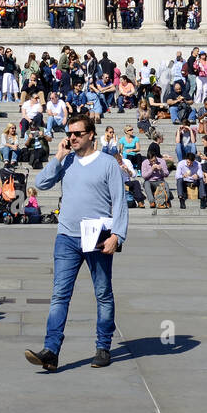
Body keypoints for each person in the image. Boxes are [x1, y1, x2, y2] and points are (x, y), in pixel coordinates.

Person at [25, 115, 128, 371]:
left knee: (103, 293)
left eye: (77, 134)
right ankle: (51, 351)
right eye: (69, 133)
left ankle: (103, 347)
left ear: (91, 135)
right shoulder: (67, 160)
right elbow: (41, 183)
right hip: (67, 237)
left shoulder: (107, 164)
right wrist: (58, 156)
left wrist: (117, 235)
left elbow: (119, 202)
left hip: (98, 237)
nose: (72, 137)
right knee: (59, 295)